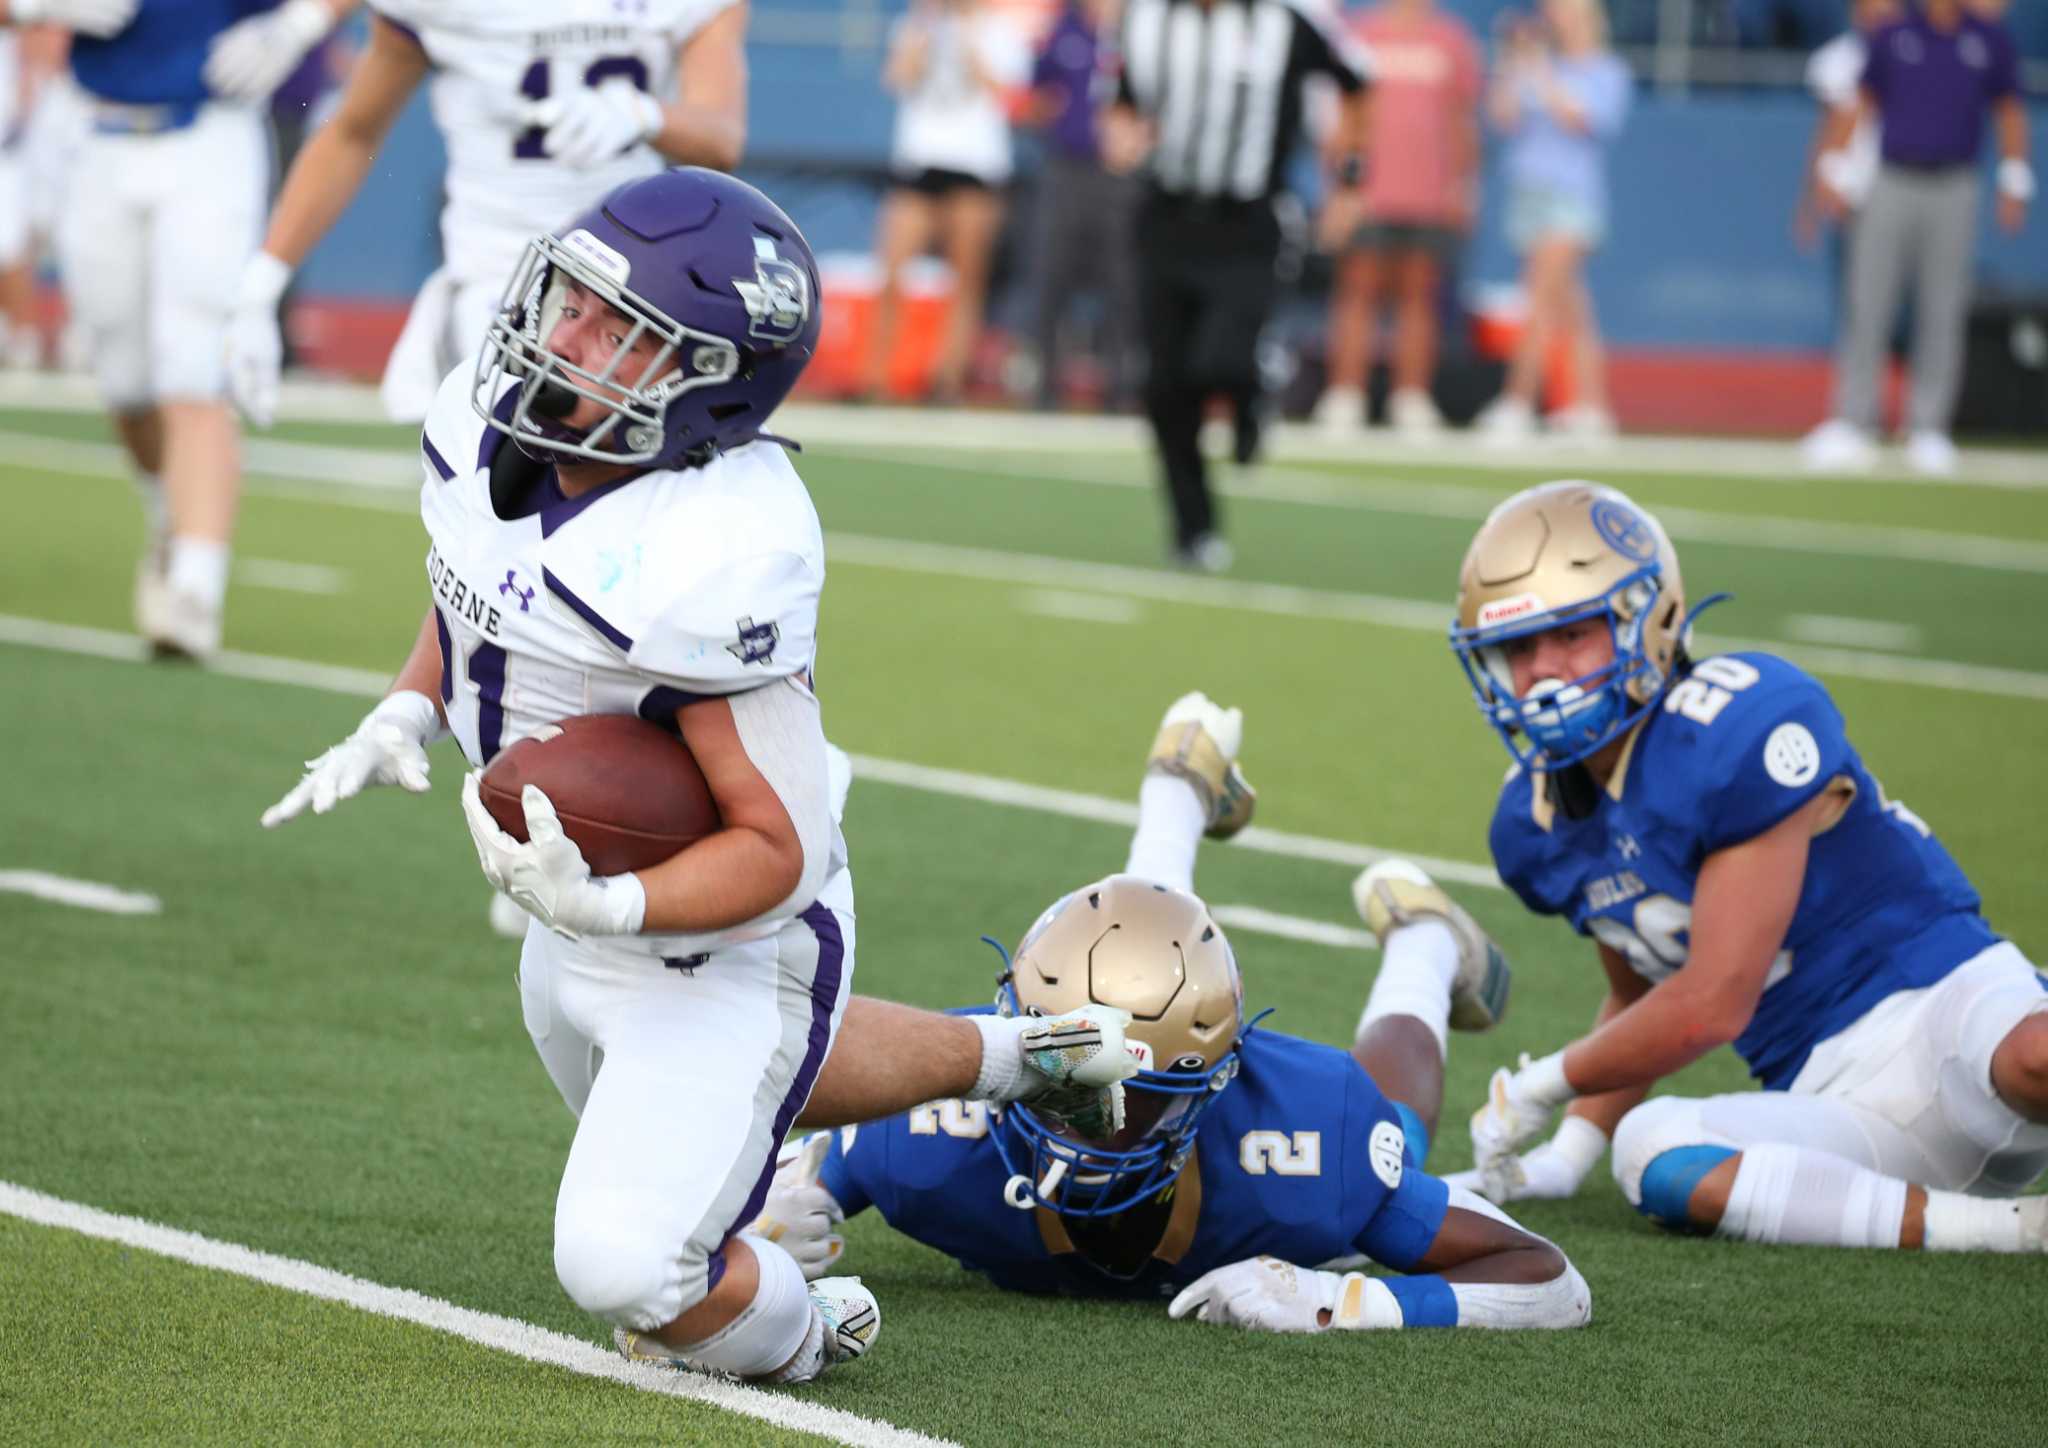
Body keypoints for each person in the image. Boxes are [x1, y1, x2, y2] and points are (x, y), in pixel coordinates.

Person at [258, 170, 1148, 1384]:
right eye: (567, 297)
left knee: (637, 1271)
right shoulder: (504, 421)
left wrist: (611, 905)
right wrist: (407, 703)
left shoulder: (712, 547)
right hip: (572, 919)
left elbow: (775, 849)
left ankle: (801, 1319)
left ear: (704, 384)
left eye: (613, 328)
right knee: (734, 1102)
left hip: (724, 936)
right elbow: (479, 583)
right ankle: (1024, 1057)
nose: (559, 334)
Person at [753, 693, 1593, 1334]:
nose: (1084, 1116)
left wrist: (1341, 1298)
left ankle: (1426, 945)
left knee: (1391, 1148)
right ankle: (1180, 789)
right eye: (1057, 1071)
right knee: (1144, 968)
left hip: (1283, 1117)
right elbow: (789, 1170)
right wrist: (769, 1218)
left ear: (1214, 1087)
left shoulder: (1305, 1141)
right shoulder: (919, 1132)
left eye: (1131, 1094)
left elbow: (1549, 1279)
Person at [1445, 480, 2048, 1254]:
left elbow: (1710, 1005)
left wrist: (1542, 1081)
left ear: (1645, 620)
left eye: (1571, 635)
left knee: (2033, 1056)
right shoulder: (1534, 823)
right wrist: (1570, 1152)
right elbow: (1643, 992)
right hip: (1832, 1104)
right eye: (1518, 649)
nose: (1543, 672)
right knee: (1653, 1151)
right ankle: (2016, 1231)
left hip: (1941, 1010)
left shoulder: (1735, 722)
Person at [0, 0, 351, 660]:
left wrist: (299, 22)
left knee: (194, 370)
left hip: (210, 135)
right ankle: (171, 512)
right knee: (128, 388)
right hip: (94, 133)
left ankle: (195, 585)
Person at [223, 0, 749, 429]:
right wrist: (263, 281)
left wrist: (645, 115)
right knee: (488, 510)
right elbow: (351, 133)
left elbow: (721, 136)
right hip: (496, 281)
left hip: (630, 287)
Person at [1102, 0, 1370, 572]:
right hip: (1168, 216)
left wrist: (1348, 181)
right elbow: (1122, 102)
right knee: (1165, 386)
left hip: (1249, 222)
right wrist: (1123, 137)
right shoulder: (1145, 18)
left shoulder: (1285, 23)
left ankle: (1251, 393)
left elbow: (1356, 82)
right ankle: (1194, 529)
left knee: (1220, 360)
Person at [1800, 0, 2031, 477]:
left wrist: (2014, 176)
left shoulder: (1986, 39)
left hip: (1956, 183)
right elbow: (1862, 101)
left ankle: (1928, 427)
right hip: (1892, 179)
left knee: (1942, 307)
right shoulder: (1894, 34)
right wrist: (1836, 168)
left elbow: (2008, 108)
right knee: (1869, 302)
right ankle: (1852, 420)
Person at [1310, 0, 1481, 437]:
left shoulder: (1451, 39)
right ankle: (1346, 395)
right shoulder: (1362, 34)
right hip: (1369, 193)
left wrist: (1463, 185)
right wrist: (1341, 189)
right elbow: (1344, 117)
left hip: (1428, 195)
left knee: (1419, 295)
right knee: (1357, 291)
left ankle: (1411, 397)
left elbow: (1461, 119)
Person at [1471, 0, 1629, 444]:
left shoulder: (1606, 71)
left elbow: (1581, 119)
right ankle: (1593, 409)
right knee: (1572, 308)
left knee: (1538, 297)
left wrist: (1540, 72)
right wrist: (1511, 60)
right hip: (1528, 195)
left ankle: (1517, 402)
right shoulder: (1538, 64)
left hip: (1571, 199)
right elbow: (1501, 116)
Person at [859, 0, 1027, 404]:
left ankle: (948, 378)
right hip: (920, 160)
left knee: (967, 279)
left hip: (974, 165)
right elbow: (899, 76)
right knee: (891, 271)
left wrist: (969, 39)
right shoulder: (916, 24)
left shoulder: (1002, 31)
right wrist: (925, 34)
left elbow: (1005, 92)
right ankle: (876, 376)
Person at [1023, 0, 1136, 411]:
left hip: (1120, 176)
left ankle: (1121, 386)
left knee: (1123, 281)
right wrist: (1056, 122)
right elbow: (1037, 91)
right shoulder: (1065, 26)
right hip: (1068, 168)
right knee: (1052, 275)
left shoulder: (1140, 28)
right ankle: (1045, 385)